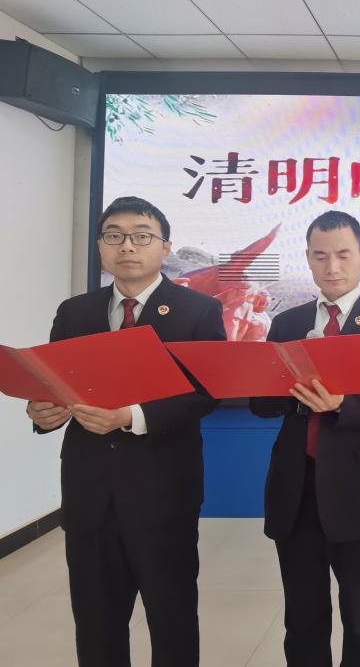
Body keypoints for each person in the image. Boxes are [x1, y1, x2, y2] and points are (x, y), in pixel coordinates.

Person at [25, 196, 225, 667]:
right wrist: (43, 413)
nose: (127, 246)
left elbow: (207, 392)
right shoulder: (74, 313)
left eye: (141, 235)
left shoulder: (198, 311)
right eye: (114, 236)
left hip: (164, 493)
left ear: (165, 247)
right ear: (100, 246)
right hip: (89, 493)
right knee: (96, 622)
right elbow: (54, 385)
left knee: (172, 619)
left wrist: (131, 416)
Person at [250, 210, 360, 667]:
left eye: (343, 255)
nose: (332, 267)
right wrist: (266, 382)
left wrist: (341, 404)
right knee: (302, 617)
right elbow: (262, 406)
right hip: (296, 488)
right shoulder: (288, 325)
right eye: (320, 256)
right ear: (308, 258)